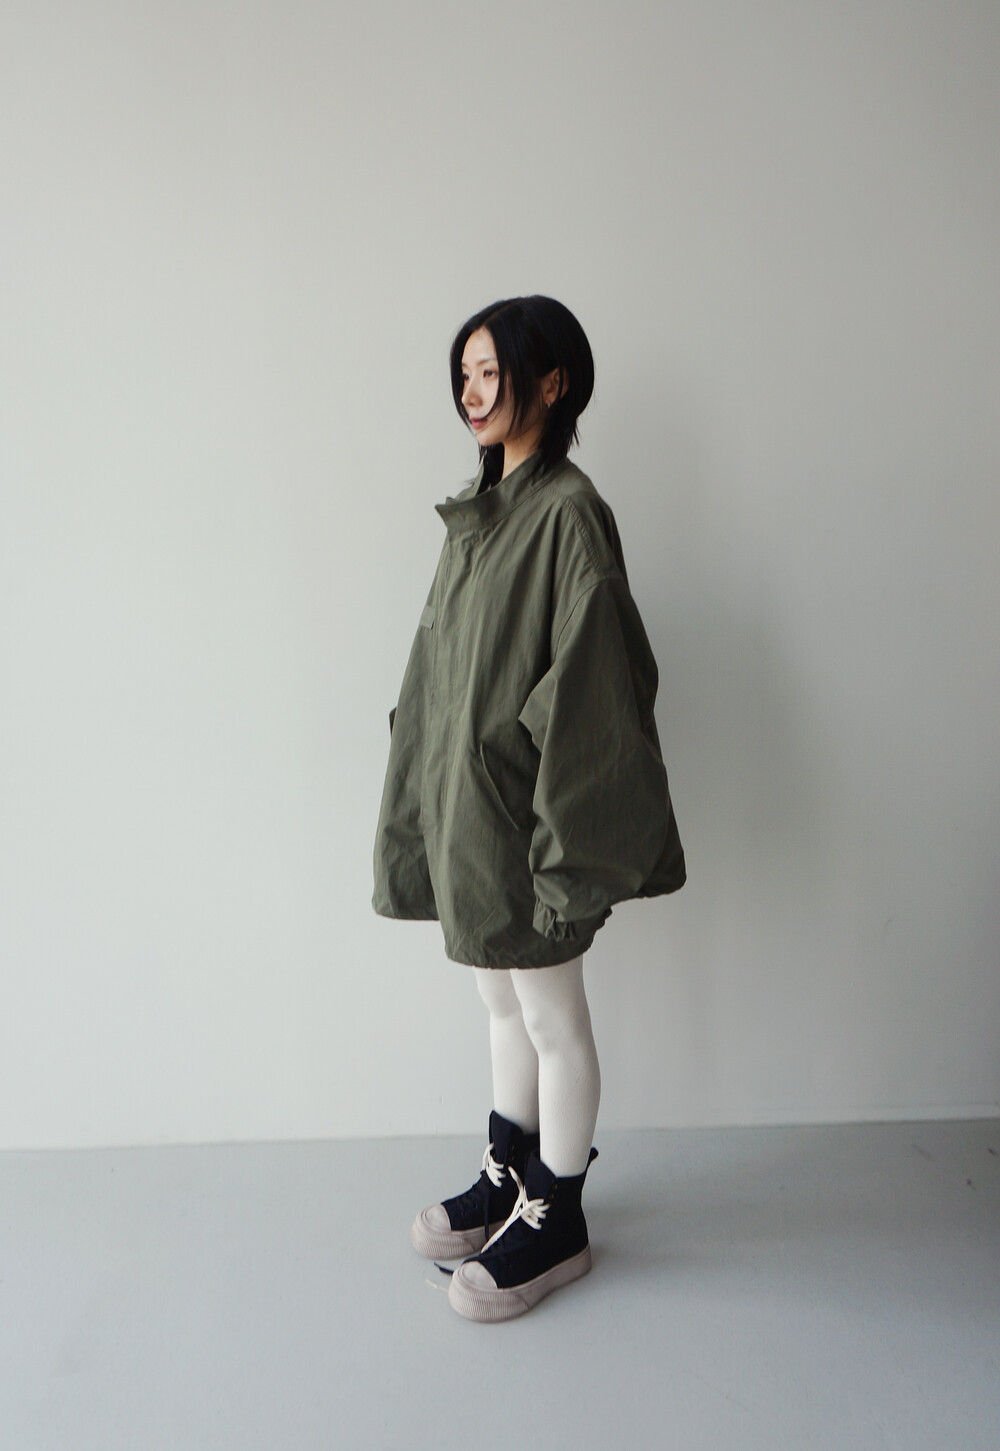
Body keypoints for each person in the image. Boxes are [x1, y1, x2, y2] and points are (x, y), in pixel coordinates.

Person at [372, 295, 685, 1322]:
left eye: (492, 370)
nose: (472, 391)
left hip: (528, 813)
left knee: (553, 1013)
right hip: (472, 811)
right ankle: (510, 1170)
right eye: (463, 373)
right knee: (499, 1003)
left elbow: (595, 690)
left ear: (552, 381)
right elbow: (438, 670)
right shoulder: (478, 514)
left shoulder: (568, 515)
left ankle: (560, 1213)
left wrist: (562, 841)